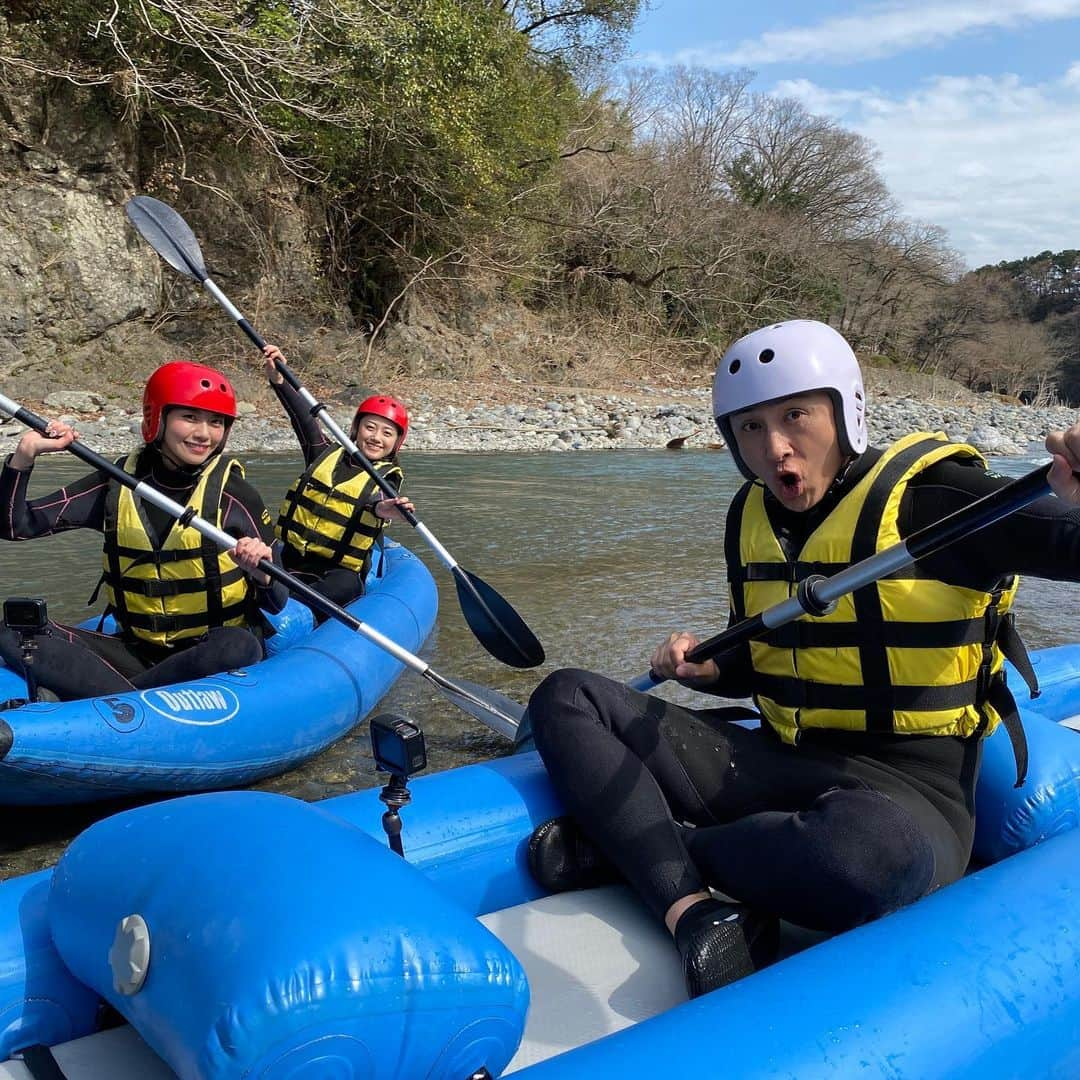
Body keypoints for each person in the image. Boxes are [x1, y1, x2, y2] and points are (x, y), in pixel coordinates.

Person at [525, 318, 1080, 1000]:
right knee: (568, 696)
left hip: (906, 796)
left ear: (844, 413)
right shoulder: (749, 515)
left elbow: (1066, 542)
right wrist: (711, 671)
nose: (775, 448)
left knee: (864, 860)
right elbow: (761, 657)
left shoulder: (941, 500)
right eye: (750, 428)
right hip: (777, 761)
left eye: (795, 416)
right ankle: (691, 908)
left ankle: (647, 848)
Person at [0, 360, 290, 701]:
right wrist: (25, 455)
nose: (204, 434)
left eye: (216, 422)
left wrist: (262, 574)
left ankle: (108, 701)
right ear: (157, 420)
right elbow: (14, 526)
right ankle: (129, 699)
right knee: (14, 632)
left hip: (207, 652)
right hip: (135, 651)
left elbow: (277, 600)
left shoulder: (234, 494)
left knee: (238, 646)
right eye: (190, 418)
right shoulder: (116, 484)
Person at [262, 344, 414, 611]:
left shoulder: (387, 478)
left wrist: (385, 509)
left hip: (337, 570)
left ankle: (293, 612)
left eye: (387, 433)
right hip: (291, 555)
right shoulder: (323, 453)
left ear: (396, 443)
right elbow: (303, 420)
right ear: (356, 429)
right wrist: (279, 380)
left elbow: (377, 502)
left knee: (345, 587)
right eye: (370, 427)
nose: (376, 437)